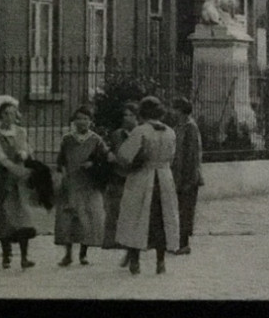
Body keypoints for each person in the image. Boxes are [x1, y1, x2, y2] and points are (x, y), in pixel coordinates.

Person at [112, 96, 179, 275]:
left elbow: (125, 156)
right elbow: (172, 157)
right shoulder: (170, 132)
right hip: (164, 179)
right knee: (161, 220)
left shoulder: (140, 131)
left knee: (136, 217)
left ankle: (135, 262)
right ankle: (160, 262)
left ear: (141, 113)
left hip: (143, 178)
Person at [0, 95, 38, 269]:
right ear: (0, 115)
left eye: (13, 114)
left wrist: (25, 155)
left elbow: (28, 150)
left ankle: (24, 257)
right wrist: (18, 169)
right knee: (3, 218)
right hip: (1, 181)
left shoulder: (21, 132)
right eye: (6, 114)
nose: (9, 117)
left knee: (23, 219)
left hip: (19, 184)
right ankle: (6, 255)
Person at [54, 105, 108, 266]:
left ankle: (83, 254)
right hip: (71, 183)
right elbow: (60, 161)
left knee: (87, 219)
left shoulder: (96, 140)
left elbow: (104, 160)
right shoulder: (67, 139)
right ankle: (68, 254)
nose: (82, 122)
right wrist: (62, 175)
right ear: (74, 121)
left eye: (85, 119)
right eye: (78, 118)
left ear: (90, 121)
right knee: (68, 219)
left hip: (88, 185)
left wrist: (93, 164)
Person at [102, 102, 139, 263]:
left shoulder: (140, 134)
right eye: (125, 115)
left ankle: (131, 250)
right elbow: (110, 151)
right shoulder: (117, 135)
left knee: (133, 215)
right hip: (117, 178)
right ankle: (122, 245)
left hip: (135, 179)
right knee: (116, 212)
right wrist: (109, 155)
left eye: (131, 115)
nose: (127, 118)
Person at [169, 96, 203, 255]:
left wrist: (190, 177)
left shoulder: (190, 127)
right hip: (177, 175)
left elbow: (193, 155)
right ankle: (177, 242)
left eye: (175, 108)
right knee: (177, 210)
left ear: (182, 111)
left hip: (188, 176)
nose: (172, 112)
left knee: (185, 211)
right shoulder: (178, 126)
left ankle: (184, 244)